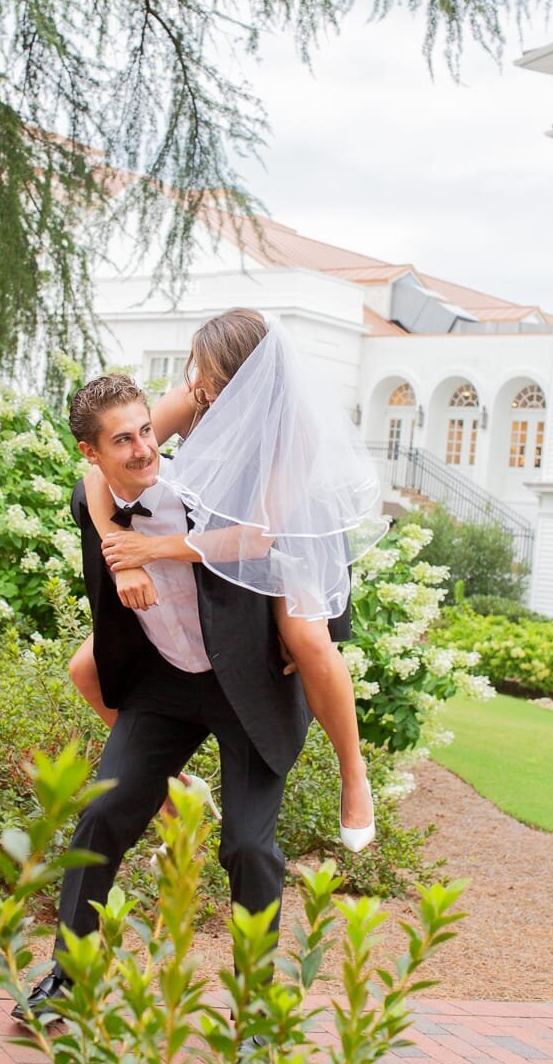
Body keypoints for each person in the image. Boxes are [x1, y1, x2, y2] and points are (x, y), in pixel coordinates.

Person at [13, 372, 311, 1046]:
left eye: (147, 430)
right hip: (165, 685)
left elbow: (296, 540)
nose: (145, 449)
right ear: (92, 455)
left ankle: (256, 1012)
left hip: (249, 686)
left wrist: (310, 635)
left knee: (247, 846)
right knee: (102, 813)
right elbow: (97, 505)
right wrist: (124, 563)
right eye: (123, 440)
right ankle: (70, 975)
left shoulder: (200, 492)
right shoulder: (90, 500)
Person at [70, 309, 386, 850]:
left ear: (248, 380)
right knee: (84, 668)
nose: (203, 388)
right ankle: (172, 782)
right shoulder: (193, 395)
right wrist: (123, 556)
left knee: (307, 639)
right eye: (201, 375)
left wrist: (152, 547)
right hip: (206, 537)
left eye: (216, 379)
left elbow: (256, 540)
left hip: (283, 535)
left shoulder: (294, 427)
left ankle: (353, 775)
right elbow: (96, 474)